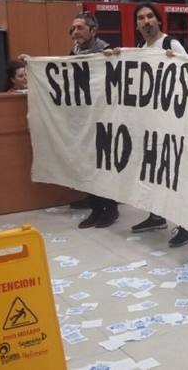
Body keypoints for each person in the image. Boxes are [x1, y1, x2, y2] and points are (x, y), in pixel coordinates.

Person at [123, 2, 188, 248]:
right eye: (141, 18)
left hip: (174, 122)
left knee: (178, 173)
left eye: (150, 16)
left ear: (158, 20)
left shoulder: (170, 44)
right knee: (156, 171)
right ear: (137, 24)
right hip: (153, 123)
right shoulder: (142, 49)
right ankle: (157, 215)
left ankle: (187, 225)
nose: (146, 21)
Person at [65, 12, 120, 229]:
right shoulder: (74, 53)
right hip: (83, 119)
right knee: (88, 164)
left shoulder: (107, 50)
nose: (75, 32)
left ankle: (111, 208)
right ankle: (96, 208)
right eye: (73, 28)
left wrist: (114, 57)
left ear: (93, 31)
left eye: (80, 28)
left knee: (105, 165)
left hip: (104, 118)